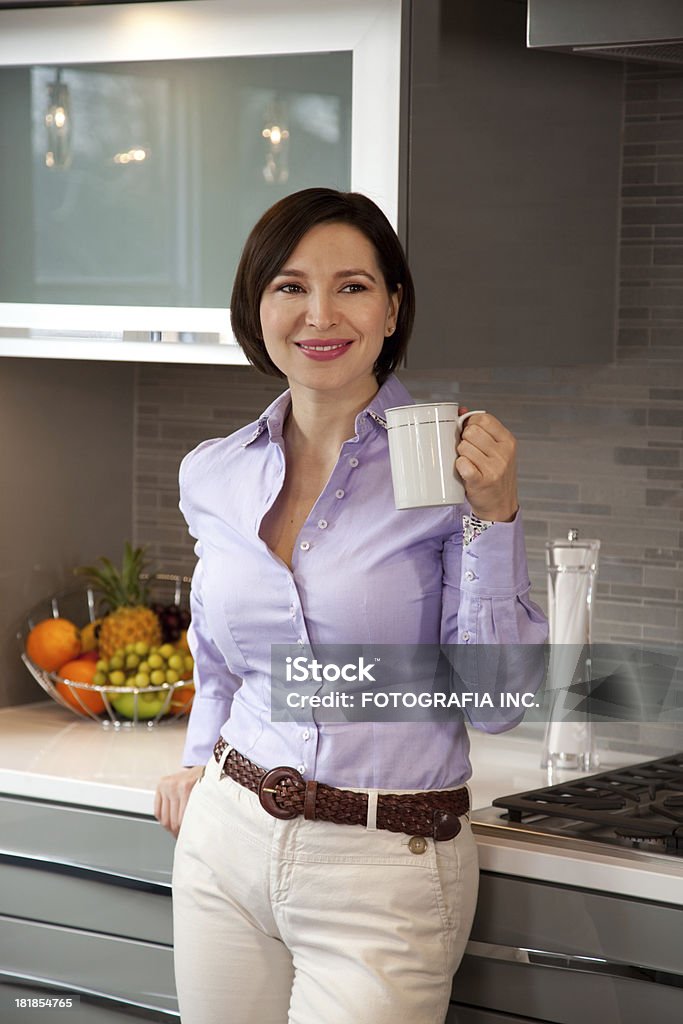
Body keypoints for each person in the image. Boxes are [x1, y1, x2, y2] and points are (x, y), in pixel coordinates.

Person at [154, 187, 548, 1024]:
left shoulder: (446, 467)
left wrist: (495, 516)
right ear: (256, 306)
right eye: (289, 286)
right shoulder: (213, 473)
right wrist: (196, 760)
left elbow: (499, 701)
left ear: (393, 305)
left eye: (353, 286)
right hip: (227, 842)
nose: (319, 313)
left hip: (386, 868)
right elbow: (219, 657)